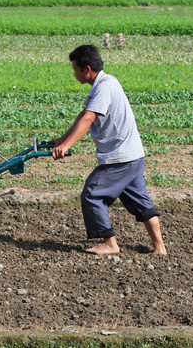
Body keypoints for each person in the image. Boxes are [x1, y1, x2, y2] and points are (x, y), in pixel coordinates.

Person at [52, 45, 167, 255]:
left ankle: (110, 243)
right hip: (134, 156)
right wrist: (63, 139)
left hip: (120, 159)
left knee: (92, 194)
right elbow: (85, 112)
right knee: (141, 202)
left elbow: (89, 118)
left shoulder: (104, 88)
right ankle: (160, 247)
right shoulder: (106, 82)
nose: (74, 74)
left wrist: (66, 146)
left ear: (87, 69)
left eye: (75, 70)